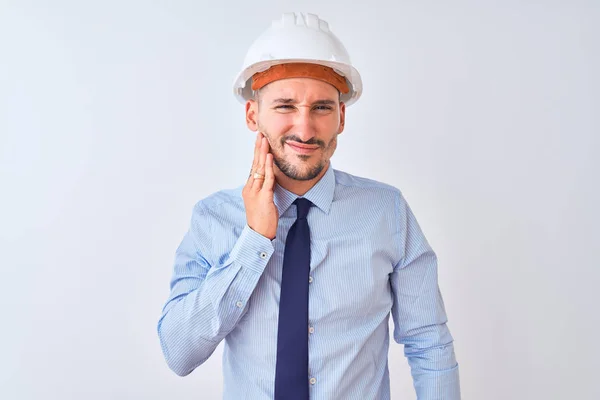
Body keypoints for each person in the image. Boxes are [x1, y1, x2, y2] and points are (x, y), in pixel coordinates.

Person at [157, 12, 461, 400]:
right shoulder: (213, 217)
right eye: (285, 106)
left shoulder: (388, 211)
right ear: (253, 114)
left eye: (321, 108)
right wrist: (254, 240)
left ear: (342, 117)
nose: (304, 129)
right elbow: (178, 353)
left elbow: (429, 343)